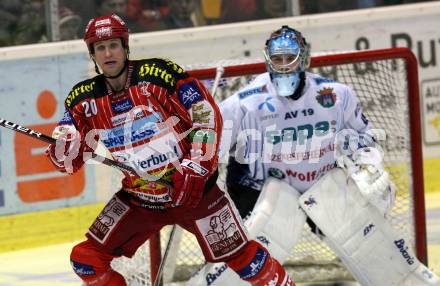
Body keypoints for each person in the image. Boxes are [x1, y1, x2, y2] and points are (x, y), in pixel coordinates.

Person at [45, 14, 294, 286]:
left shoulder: (159, 74)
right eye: (100, 48)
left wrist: (196, 164)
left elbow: (205, 113)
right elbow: (67, 155)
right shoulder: (82, 99)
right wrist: (63, 151)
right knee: (87, 259)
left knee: (245, 260)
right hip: (140, 199)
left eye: (113, 45)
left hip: (194, 193)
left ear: (125, 47)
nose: (108, 53)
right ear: (92, 54)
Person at [209, 25, 440, 286]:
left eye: (290, 58)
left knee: (374, 249)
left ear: (304, 58)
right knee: (243, 267)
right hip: (264, 192)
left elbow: (362, 140)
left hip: (322, 186)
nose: (284, 66)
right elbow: (209, 149)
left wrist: (369, 172)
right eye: (277, 59)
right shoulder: (245, 102)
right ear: (267, 59)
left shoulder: (334, 96)